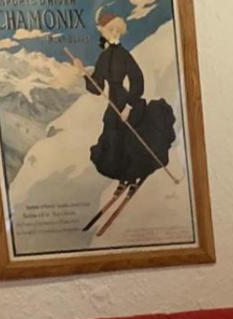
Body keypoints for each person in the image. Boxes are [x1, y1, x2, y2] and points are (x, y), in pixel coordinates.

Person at [73, 9, 176, 193]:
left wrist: (129, 106)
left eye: (116, 30)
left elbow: (138, 80)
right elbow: (97, 88)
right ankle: (124, 177)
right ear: (104, 32)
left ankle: (135, 175)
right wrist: (83, 73)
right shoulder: (103, 57)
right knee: (114, 142)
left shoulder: (124, 55)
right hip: (113, 103)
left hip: (129, 101)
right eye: (110, 30)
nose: (114, 33)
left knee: (131, 143)